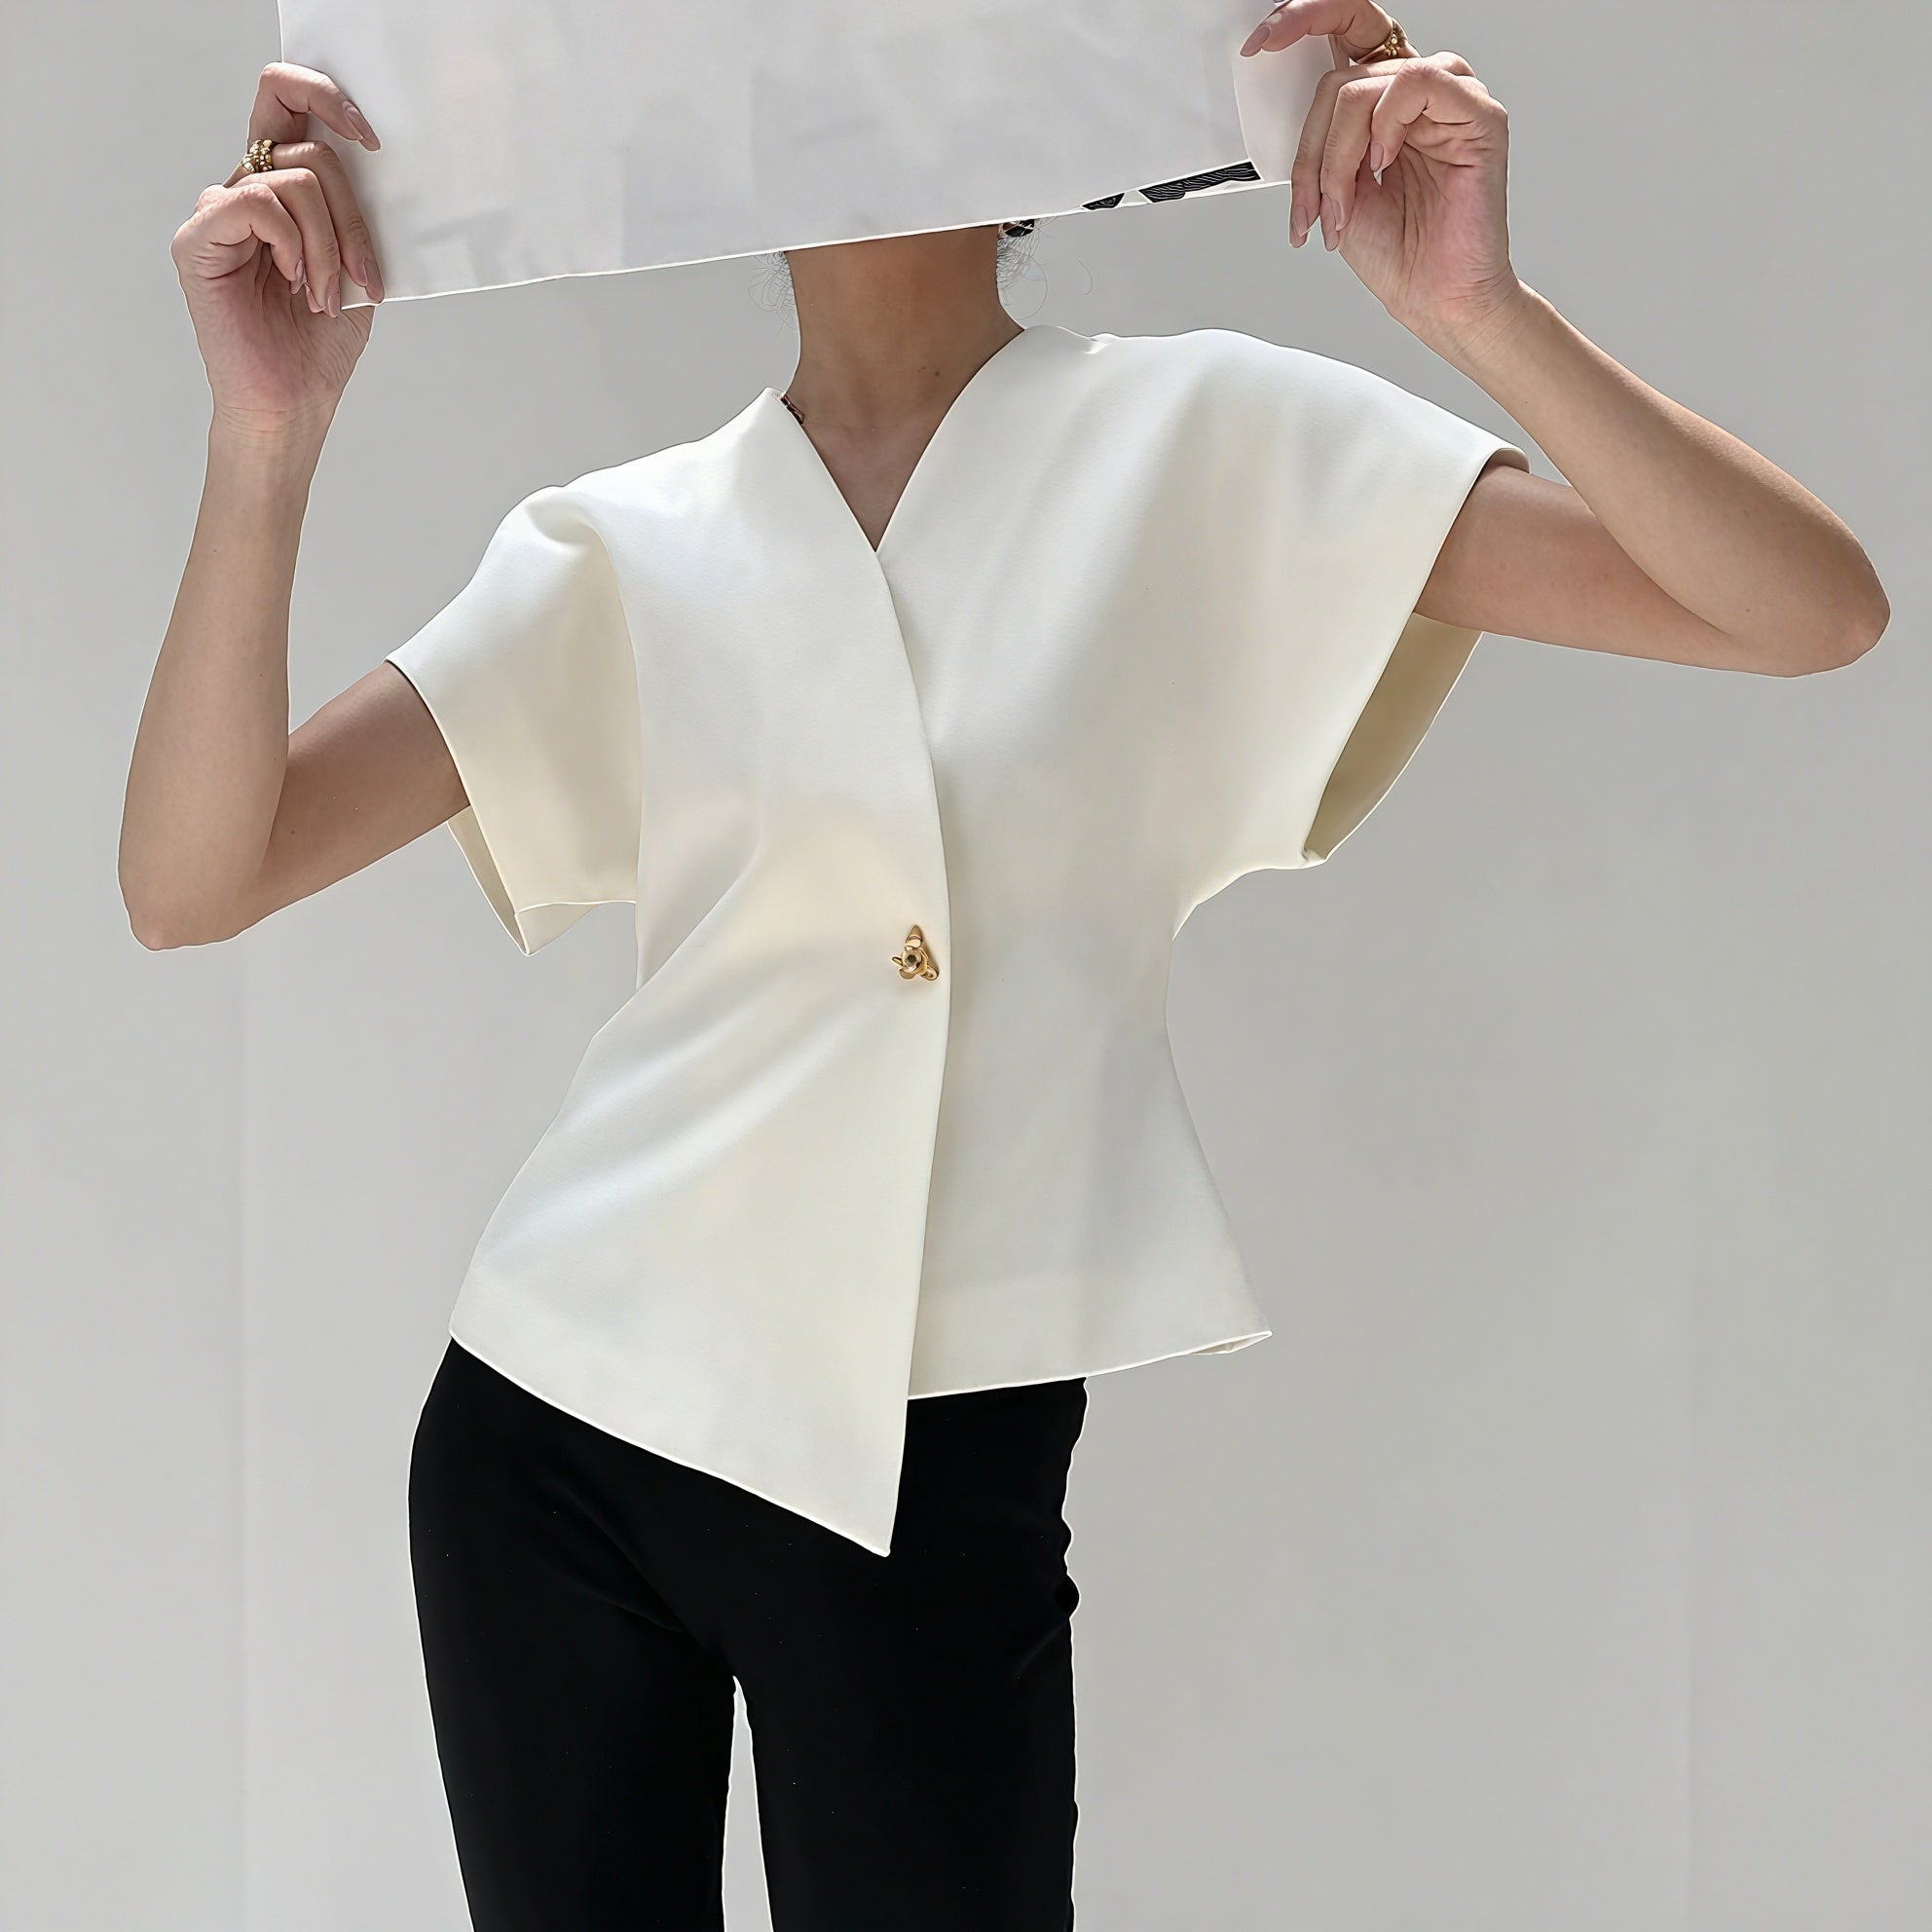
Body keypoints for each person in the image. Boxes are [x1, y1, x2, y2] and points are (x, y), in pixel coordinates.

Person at [120, 4, 1888, 1927]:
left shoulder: (1205, 442)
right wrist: (266, 441)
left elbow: (1802, 610)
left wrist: (1479, 309)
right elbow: (192, 879)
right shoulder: (623, 542)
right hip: (554, 1428)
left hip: (934, 1452)